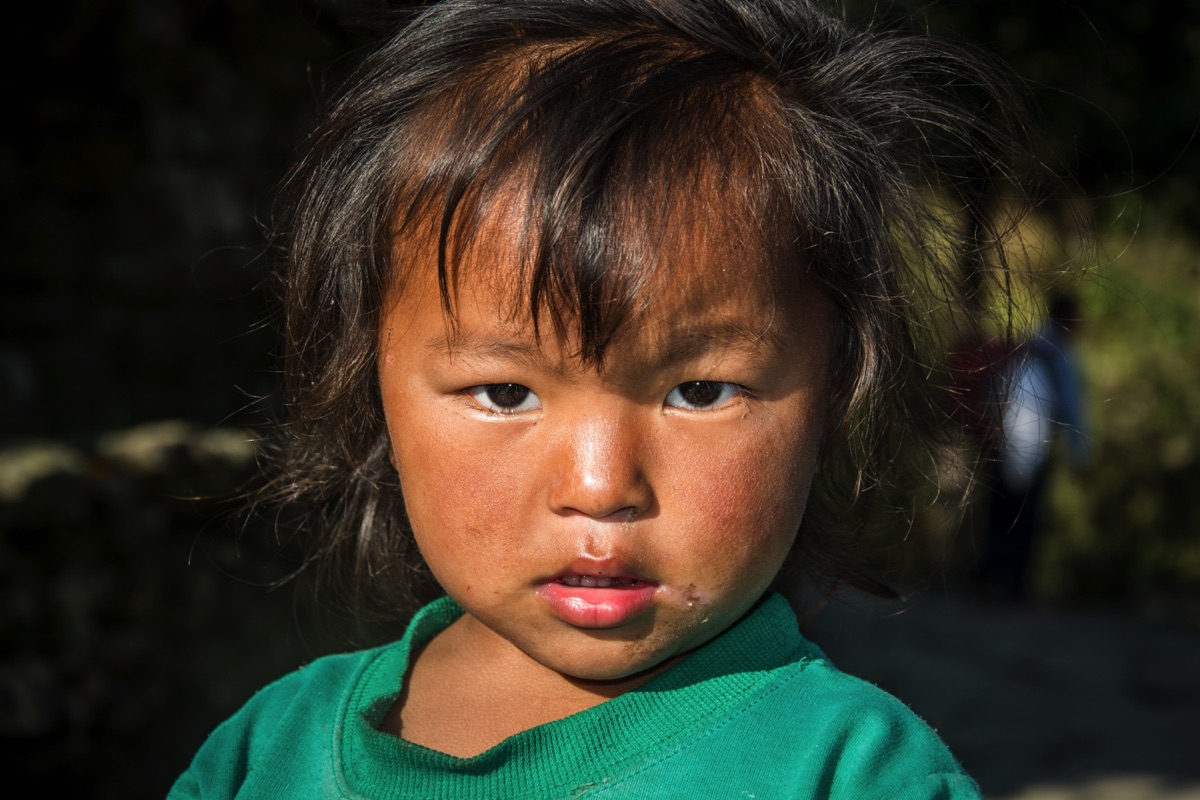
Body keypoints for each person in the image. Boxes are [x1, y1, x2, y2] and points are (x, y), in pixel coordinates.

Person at [170, 1, 1064, 796]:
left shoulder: (852, 773)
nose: (600, 486)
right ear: (374, 385)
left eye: (700, 391)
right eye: (505, 391)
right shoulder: (264, 754)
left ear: (833, 398)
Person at [977, 293, 1089, 599]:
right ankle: (1013, 586)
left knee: (998, 514)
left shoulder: (1027, 345)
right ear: (1069, 318)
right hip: (1035, 447)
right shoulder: (1060, 354)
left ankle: (987, 581)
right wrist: (1079, 454)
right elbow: (1071, 405)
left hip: (1002, 444)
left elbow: (995, 390)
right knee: (1024, 518)